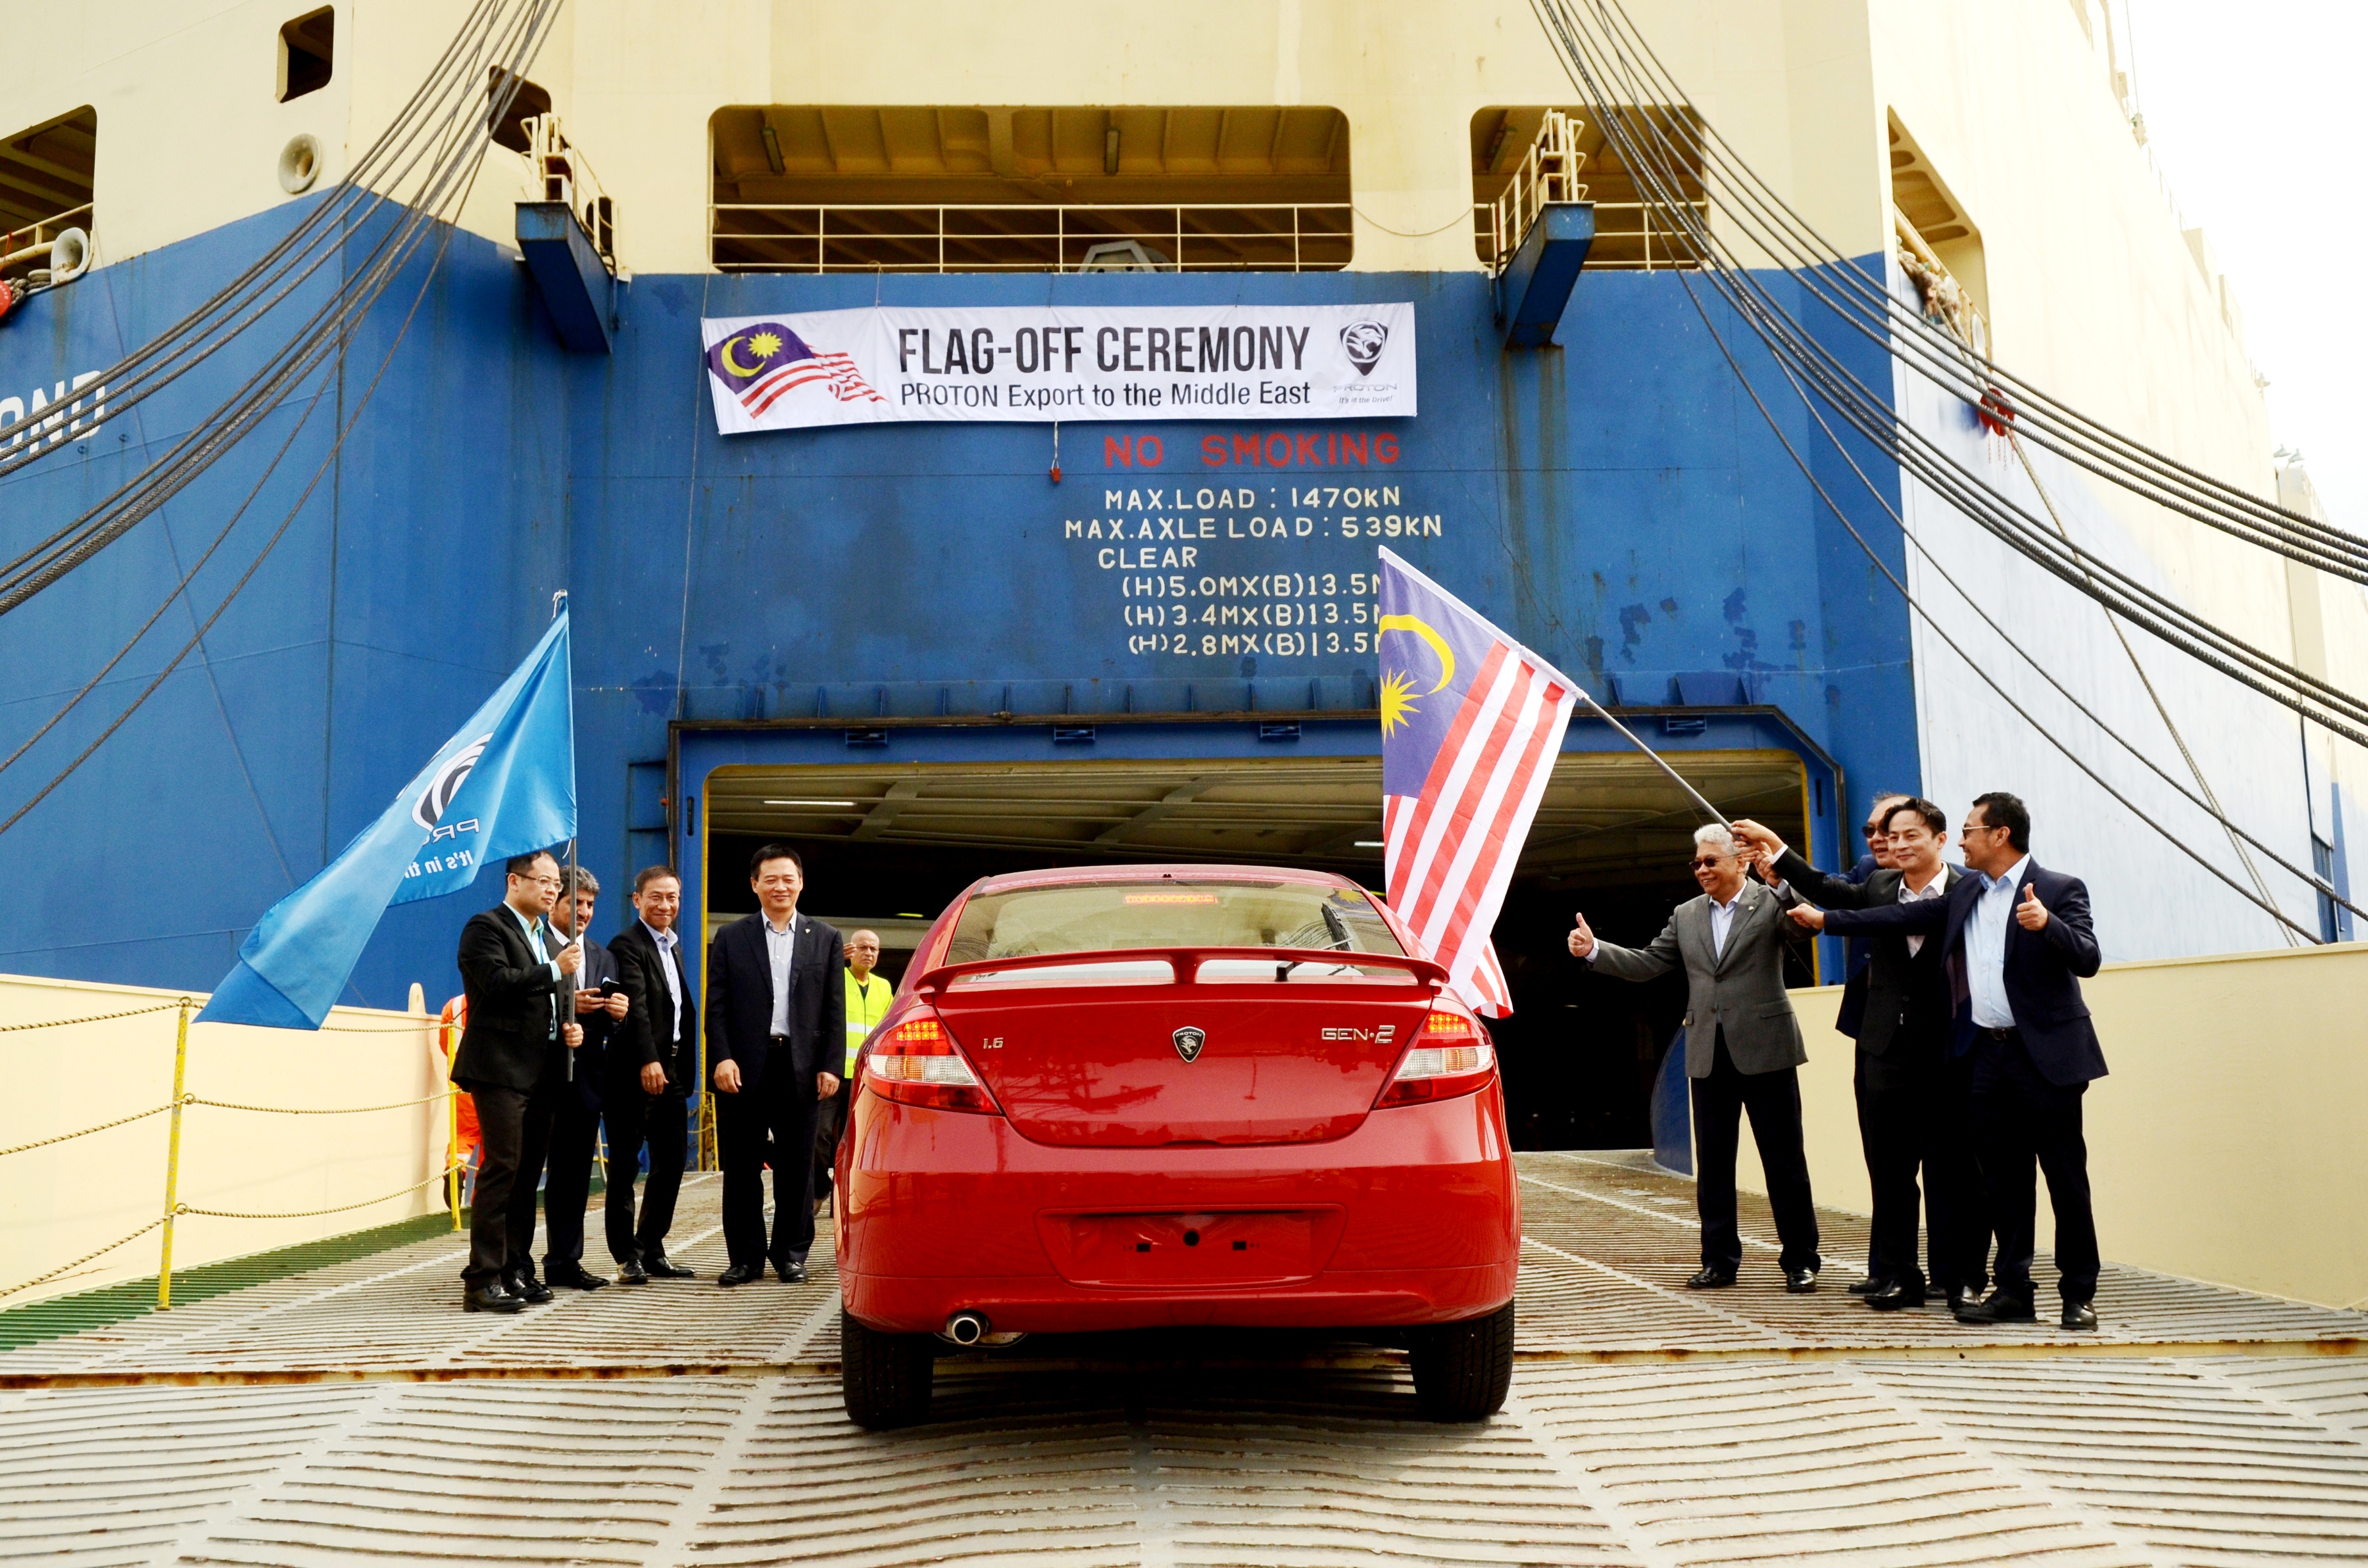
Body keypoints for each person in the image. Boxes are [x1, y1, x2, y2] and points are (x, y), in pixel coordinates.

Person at [1787, 791, 2106, 1330]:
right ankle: (2014, 1291)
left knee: (2065, 1181)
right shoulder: (1968, 893)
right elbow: (1897, 915)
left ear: (2000, 834)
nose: (1961, 841)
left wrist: (2047, 923)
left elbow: (2088, 957)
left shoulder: (2058, 888)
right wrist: (1824, 919)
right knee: (2004, 1184)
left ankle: (2078, 1294)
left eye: (1969, 831)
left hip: (2046, 1060)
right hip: (1987, 1057)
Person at [1736, 800, 1988, 1311]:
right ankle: (1897, 1275)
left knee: (1957, 1170)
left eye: (1911, 835)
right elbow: (1827, 887)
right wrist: (1776, 846)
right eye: (1891, 838)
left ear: (1940, 840)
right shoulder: (1877, 884)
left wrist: (1828, 920)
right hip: (1884, 1048)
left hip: (1950, 1050)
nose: (1898, 845)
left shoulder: (1969, 890)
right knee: (1890, 1170)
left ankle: (1962, 1277)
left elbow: (1890, 918)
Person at [1568, 824, 1822, 1292]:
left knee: (1784, 1162)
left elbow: (1803, 927)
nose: (1701, 870)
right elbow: (1649, 963)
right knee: (1714, 1166)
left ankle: (1800, 1260)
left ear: (1740, 863)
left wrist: (1782, 883)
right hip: (1707, 1052)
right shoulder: (1686, 915)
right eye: (1696, 863)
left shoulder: (1770, 901)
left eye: (1710, 861)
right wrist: (1596, 951)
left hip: (1767, 1049)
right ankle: (1719, 1261)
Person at [450, 849, 584, 1312]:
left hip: (541, 1068)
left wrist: (567, 1027)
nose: (552, 891)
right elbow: (498, 984)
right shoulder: (485, 927)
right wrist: (556, 969)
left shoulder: (543, 937)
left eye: (556, 884)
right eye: (544, 881)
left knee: (527, 1175)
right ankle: (481, 1280)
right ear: (514, 881)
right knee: (502, 1167)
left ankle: (513, 1269)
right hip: (500, 1066)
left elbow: (544, 1000)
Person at [707, 843, 845, 1286]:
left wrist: (831, 1065)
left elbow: (834, 1010)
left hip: (801, 1066)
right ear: (755, 885)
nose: (780, 887)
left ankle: (791, 1253)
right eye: (770, 879)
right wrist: (722, 1057)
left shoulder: (825, 938)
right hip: (744, 1066)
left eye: (788, 878)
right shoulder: (732, 936)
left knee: (798, 1166)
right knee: (742, 1166)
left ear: (801, 883)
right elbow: (717, 1006)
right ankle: (745, 1258)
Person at [506, 865, 628, 1293]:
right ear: (553, 902)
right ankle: (515, 1264)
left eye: (590, 904)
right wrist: (564, 1002)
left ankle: (565, 1261)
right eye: (575, 902)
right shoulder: (535, 946)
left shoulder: (601, 955)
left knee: (574, 1175)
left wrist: (617, 1015)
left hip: (586, 1078)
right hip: (538, 1076)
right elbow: (520, 995)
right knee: (525, 1173)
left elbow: (610, 1021)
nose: (583, 912)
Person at [605, 865, 698, 1283]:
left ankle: (651, 1246)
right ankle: (626, 1256)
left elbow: (678, 1010)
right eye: (656, 897)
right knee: (625, 1167)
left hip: (671, 1068)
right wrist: (647, 1059)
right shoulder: (627, 945)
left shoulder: (672, 946)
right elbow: (636, 1006)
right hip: (635, 1071)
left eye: (672, 897)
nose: (665, 905)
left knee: (673, 1160)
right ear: (637, 900)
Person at [816, 929, 891, 1217]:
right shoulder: (834, 979)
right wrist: (833, 961)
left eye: (874, 949)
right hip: (833, 1074)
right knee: (818, 1136)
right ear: (850, 950)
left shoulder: (884, 987)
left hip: (865, 1079)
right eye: (862, 948)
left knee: (855, 1142)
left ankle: (842, 1199)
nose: (868, 953)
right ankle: (820, 1187)